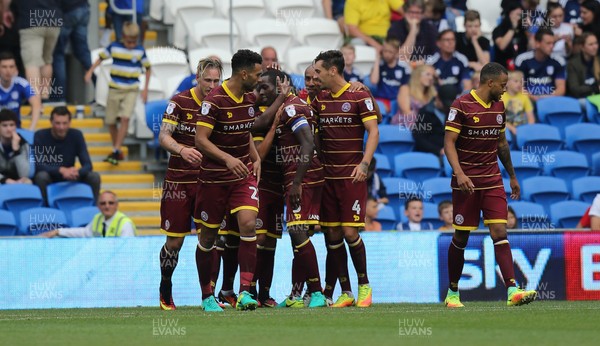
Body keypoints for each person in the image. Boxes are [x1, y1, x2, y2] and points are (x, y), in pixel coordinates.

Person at [443, 62, 537, 308]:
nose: (506, 89)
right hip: (467, 184)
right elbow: (449, 143)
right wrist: (460, 173)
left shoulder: (499, 106)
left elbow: (502, 144)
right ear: (490, 83)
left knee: (500, 232)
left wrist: (513, 176)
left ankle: (512, 290)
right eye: (503, 85)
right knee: (461, 237)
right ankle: (453, 291)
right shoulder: (461, 105)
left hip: (493, 180)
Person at [194, 49, 263, 312]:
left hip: (241, 175)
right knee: (209, 236)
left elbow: (244, 131)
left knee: (248, 224)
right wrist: (227, 159)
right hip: (213, 179)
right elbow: (201, 140)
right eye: (257, 74)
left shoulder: (249, 98)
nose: (259, 79)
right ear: (244, 73)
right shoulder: (215, 100)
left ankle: (245, 292)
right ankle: (207, 295)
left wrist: (254, 157)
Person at [311, 50, 380, 308]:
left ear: (333, 70)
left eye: (318, 71)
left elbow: (374, 131)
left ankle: (365, 286)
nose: (315, 76)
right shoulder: (321, 99)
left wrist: (364, 163)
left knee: (350, 231)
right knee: (332, 233)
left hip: (351, 176)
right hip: (326, 177)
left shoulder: (359, 94)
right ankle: (346, 291)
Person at [257, 68, 328, 308]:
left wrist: (297, 182)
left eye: (264, 87)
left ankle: (316, 293)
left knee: (297, 232)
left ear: (280, 86)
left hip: (302, 178)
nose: (259, 93)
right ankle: (298, 294)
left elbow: (308, 143)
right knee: (301, 235)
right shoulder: (290, 107)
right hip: (306, 176)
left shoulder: (291, 108)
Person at [156, 57, 220, 311]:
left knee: (210, 239)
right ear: (197, 77)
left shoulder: (220, 102)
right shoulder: (180, 102)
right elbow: (163, 135)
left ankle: (209, 295)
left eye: (217, 81)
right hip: (179, 182)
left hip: (210, 182)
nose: (212, 86)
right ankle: (165, 286)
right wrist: (182, 150)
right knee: (175, 242)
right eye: (208, 80)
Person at [85, 21, 151, 166]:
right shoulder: (114, 47)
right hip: (114, 88)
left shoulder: (140, 51)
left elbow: (148, 68)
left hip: (131, 89)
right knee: (110, 121)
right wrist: (90, 71)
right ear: (123, 37)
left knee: (125, 118)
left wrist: (145, 89)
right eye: (129, 41)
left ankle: (116, 149)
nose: (132, 45)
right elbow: (101, 58)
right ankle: (117, 150)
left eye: (134, 42)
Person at [33, 106, 100, 204]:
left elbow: (88, 165)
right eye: (58, 123)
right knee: (41, 176)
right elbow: (38, 164)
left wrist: (76, 172)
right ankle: (45, 209)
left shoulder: (76, 135)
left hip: (71, 176)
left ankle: (93, 209)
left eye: (65, 123)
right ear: (51, 122)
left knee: (94, 177)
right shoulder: (40, 135)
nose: (61, 127)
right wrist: (61, 170)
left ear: (70, 122)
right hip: (51, 176)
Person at [9, 0, 61, 101]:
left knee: (32, 63)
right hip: (53, 20)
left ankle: (35, 99)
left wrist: (6, 11)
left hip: (30, 22)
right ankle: (45, 96)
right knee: (47, 60)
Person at [39, 191, 136, 237]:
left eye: (111, 203)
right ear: (98, 206)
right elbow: (84, 232)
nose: (107, 206)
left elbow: (126, 251)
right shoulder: (98, 218)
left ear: (116, 205)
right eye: (103, 203)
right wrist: (58, 231)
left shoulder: (125, 224)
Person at [52, 0, 92, 103]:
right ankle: (103, 90)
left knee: (58, 55)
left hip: (66, 11)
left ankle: (59, 98)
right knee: (83, 53)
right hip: (83, 8)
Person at [515, 28, 566, 102]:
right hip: (528, 100)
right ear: (537, 43)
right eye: (548, 43)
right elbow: (518, 87)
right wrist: (534, 98)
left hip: (551, 100)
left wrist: (545, 99)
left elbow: (561, 89)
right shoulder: (522, 60)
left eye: (553, 43)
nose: (552, 46)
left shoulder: (559, 61)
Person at [412, 84, 459, 158]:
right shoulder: (425, 112)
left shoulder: (454, 112)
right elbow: (419, 138)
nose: (447, 107)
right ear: (437, 98)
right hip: (430, 154)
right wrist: (438, 150)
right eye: (444, 104)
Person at [0, 51, 41, 130]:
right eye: (4, 67)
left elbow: (36, 104)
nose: (8, 70)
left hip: (15, 130)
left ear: (15, 69)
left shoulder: (22, 83)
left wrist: (31, 128)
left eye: (11, 67)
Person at [369, 38, 410, 115]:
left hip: (397, 101)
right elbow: (374, 81)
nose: (387, 54)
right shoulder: (380, 66)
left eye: (390, 52)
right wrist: (377, 59)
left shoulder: (403, 67)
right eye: (385, 51)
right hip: (381, 100)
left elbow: (406, 87)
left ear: (396, 53)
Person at [426, 29, 472, 94]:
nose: (451, 43)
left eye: (453, 40)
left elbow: (467, 86)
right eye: (447, 40)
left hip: (457, 98)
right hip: (437, 98)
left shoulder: (462, 59)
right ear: (439, 43)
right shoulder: (431, 61)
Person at [492, 3, 529, 69]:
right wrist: (513, 28)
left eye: (521, 15)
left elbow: (533, 47)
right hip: (502, 68)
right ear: (510, 14)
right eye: (517, 14)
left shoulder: (523, 31)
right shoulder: (499, 30)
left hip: (521, 67)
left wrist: (529, 29)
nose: (519, 17)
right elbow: (502, 46)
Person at [566, 32, 600, 100]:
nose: (595, 47)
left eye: (596, 43)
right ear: (582, 47)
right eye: (591, 44)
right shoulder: (573, 64)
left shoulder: (598, 60)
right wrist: (595, 88)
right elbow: (574, 89)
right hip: (582, 99)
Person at [0, 109, 30, 184]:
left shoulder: (23, 143)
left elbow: (24, 174)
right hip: (1, 179)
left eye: (11, 125)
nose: (9, 129)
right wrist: (5, 180)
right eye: (4, 125)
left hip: (18, 180)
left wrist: (16, 150)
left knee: (28, 182)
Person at [501, 70, 535, 136]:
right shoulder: (500, 97)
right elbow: (498, 119)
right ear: (506, 83)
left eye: (521, 82)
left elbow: (531, 118)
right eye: (516, 81)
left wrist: (529, 129)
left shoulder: (524, 97)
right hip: (507, 128)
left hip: (522, 128)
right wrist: (511, 128)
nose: (519, 84)